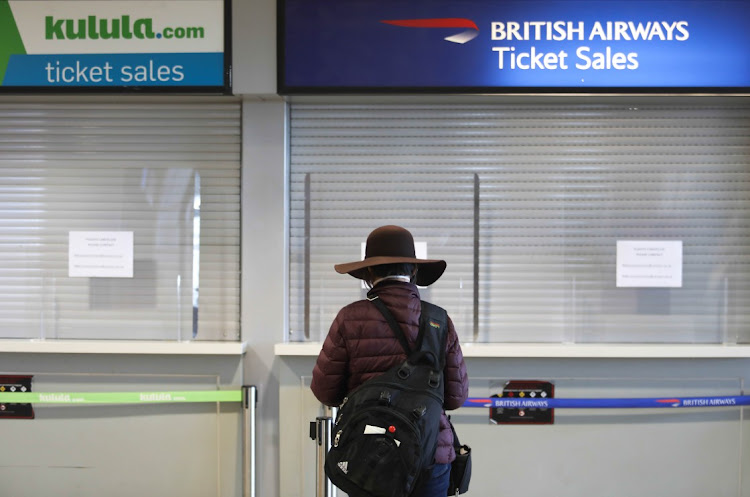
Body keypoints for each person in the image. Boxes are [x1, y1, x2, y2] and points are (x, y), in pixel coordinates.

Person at [311, 225, 469, 497]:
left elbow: (325, 391)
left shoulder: (349, 318)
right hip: (431, 455)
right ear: (414, 271)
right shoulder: (439, 320)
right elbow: (455, 397)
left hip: (370, 455)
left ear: (369, 273)